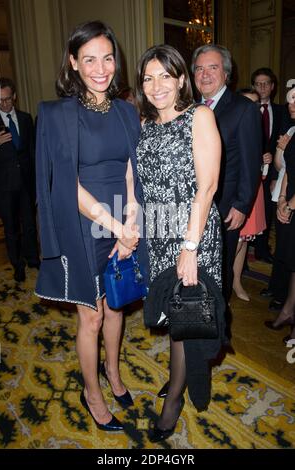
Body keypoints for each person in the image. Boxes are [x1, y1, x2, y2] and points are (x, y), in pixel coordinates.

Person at [35, 21, 148, 432]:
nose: (101, 68)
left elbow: (133, 169)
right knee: (92, 318)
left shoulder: (124, 109)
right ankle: (92, 391)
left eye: (107, 57)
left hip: (122, 217)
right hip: (85, 223)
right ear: (73, 63)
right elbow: (67, 184)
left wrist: (132, 216)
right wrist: (116, 225)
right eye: (89, 59)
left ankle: (113, 373)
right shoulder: (57, 114)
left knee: (116, 303)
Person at [135, 44, 222, 442]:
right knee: (173, 316)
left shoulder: (199, 116)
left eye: (165, 76)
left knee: (186, 318)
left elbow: (207, 188)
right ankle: (176, 381)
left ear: (181, 79)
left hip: (192, 232)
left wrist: (189, 247)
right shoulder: (145, 123)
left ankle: (173, 398)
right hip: (159, 231)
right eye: (149, 78)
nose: (157, 86)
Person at [191, 44, 262, 303]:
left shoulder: (244, 109)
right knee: (191, 270)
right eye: (199, 68)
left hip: (224, 207)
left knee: (218, 274)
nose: (205, 74)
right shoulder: (186, 108)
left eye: (213, 67)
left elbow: (250, 162)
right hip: (190, 208)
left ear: (226, 74)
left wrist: (242, 204)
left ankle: (217, 332)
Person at [0, 77, 40, 282]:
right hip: (4, 185)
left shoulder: (25, 118)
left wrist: (37, 181)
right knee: (11, 227)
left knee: (30, 222)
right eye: (0, 100)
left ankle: (33, 258)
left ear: (14, 96)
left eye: (8, 99)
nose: (4, 104)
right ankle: (17, 265)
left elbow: (32, 151)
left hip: (26, 180)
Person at [232, 89, 266, 301]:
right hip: (235, 190)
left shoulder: (256, 125)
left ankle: (236, 282)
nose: (250, 109)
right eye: (246, 103)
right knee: (234, 241)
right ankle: (224, 284)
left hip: (253, 188)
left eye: (254, 104)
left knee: (244, 240)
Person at [251, 67, 286, 263]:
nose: (262, 87)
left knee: (266, 212)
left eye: (266, 83)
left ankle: (262, 249)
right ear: (253, 86)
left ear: (272, 87)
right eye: (258, 83)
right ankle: (243, 256)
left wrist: (274, 172)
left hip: (270, 173)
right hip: (248, 172)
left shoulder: (283, 112)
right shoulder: (246, 109)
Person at [265, 129, 295, 343]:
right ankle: (288, 310)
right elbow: (288, 169)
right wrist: (283, 198)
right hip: (290, 197)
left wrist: (290, 205)